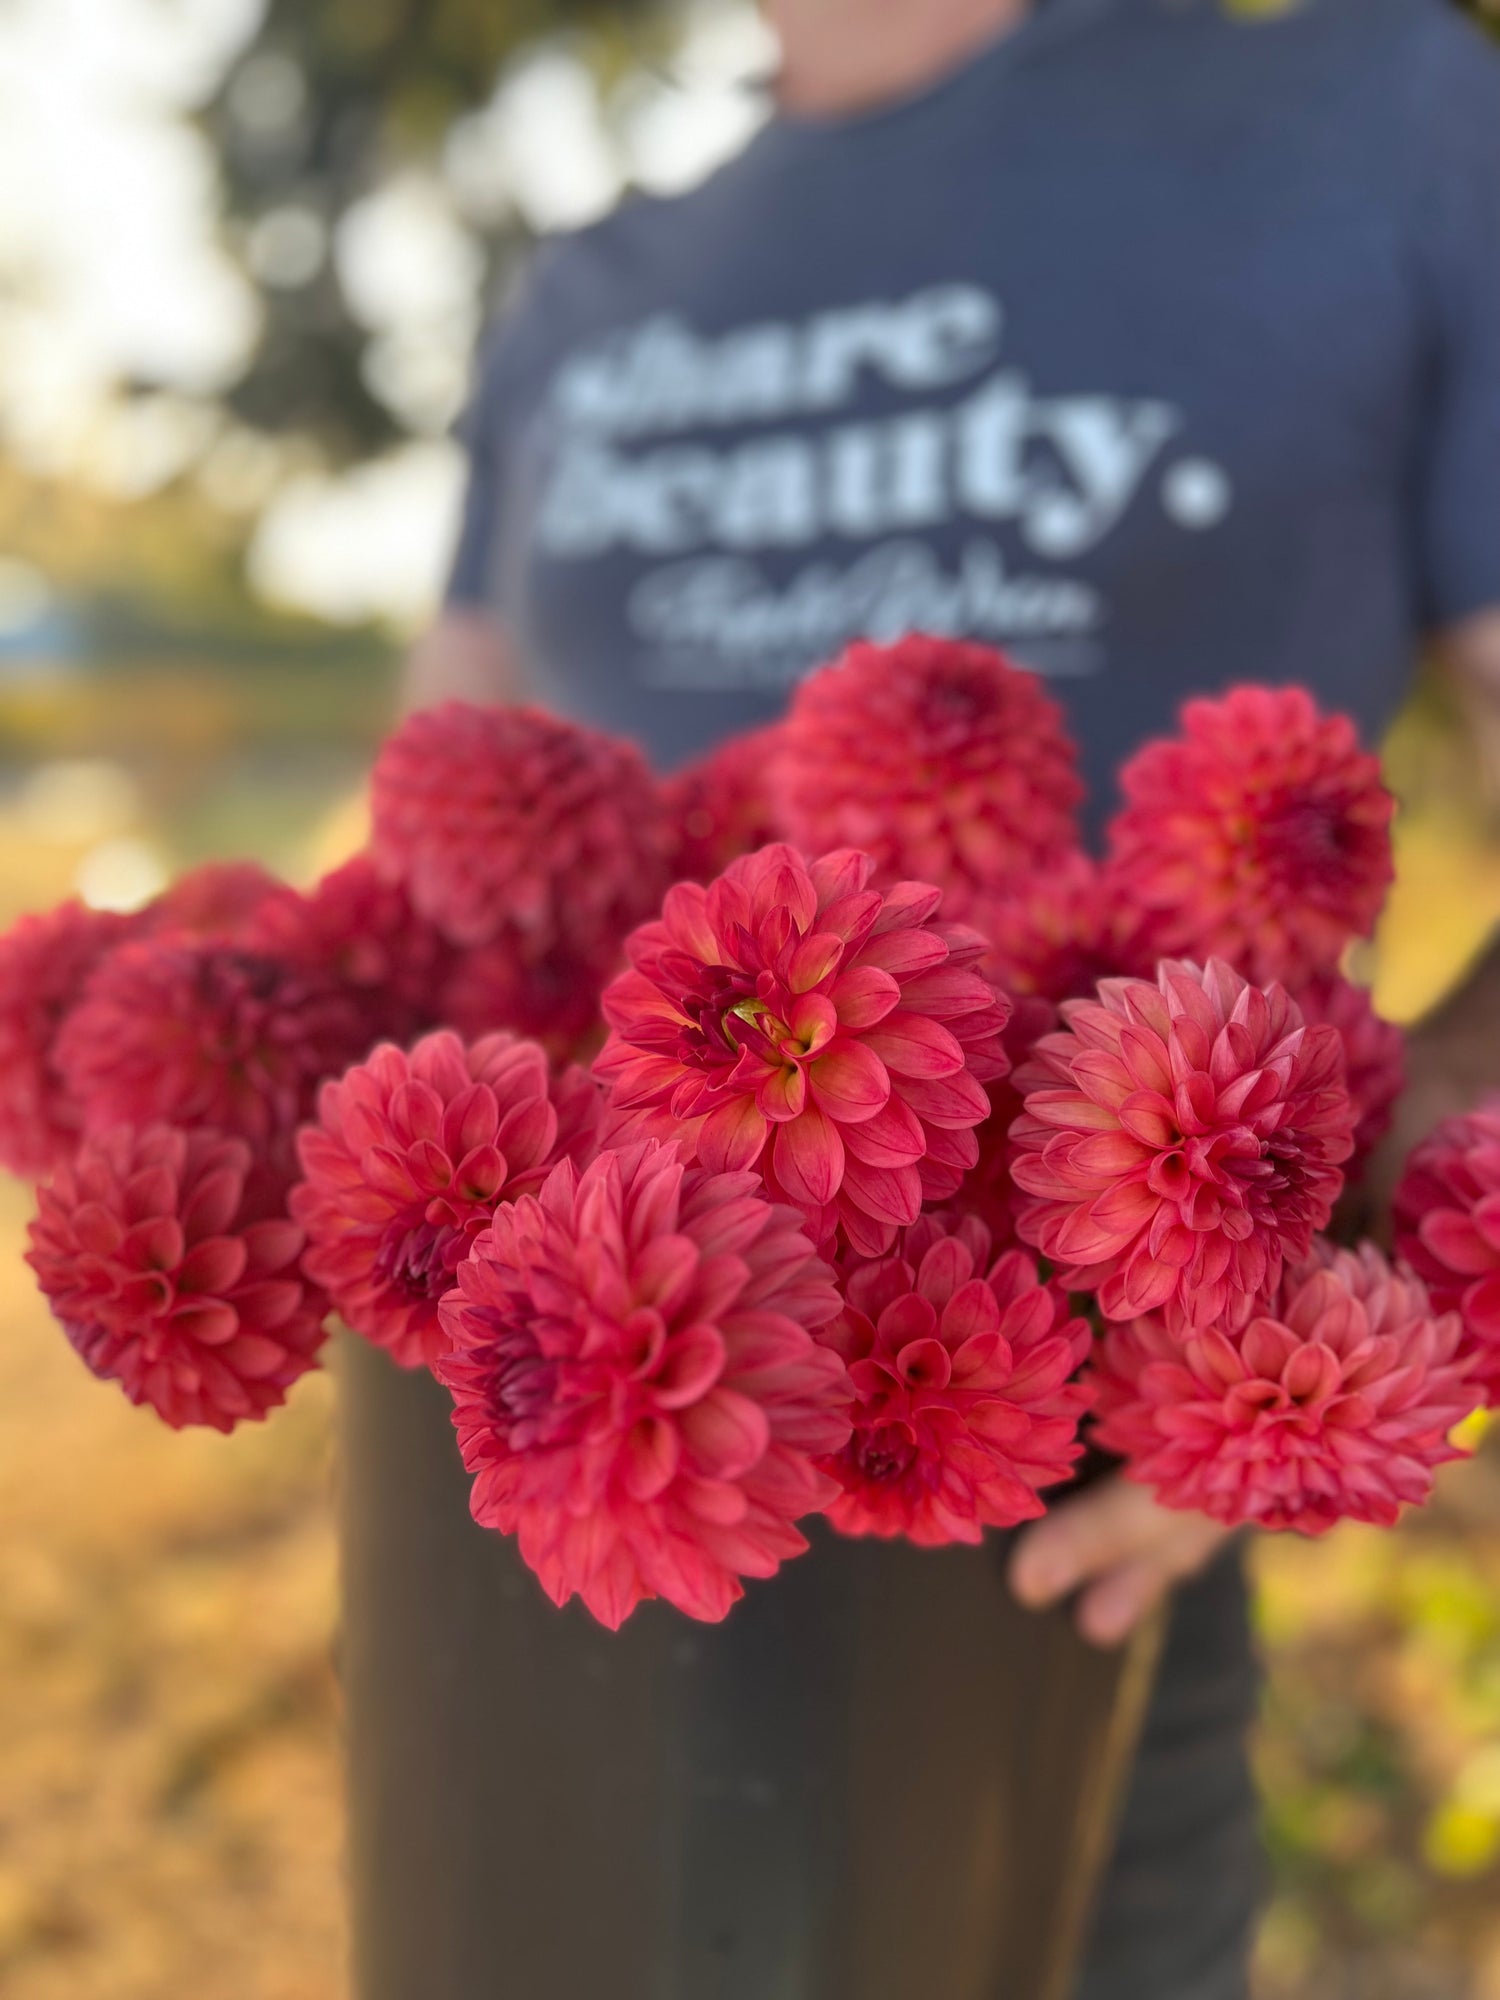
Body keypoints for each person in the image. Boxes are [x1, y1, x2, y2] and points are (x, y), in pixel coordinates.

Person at [355, 0, 1500, 1993]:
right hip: (544, 1523)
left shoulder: (1373, 112)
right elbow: (419, 880)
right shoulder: (581, 292)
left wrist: (1356, 1276)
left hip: (1058, 1537)